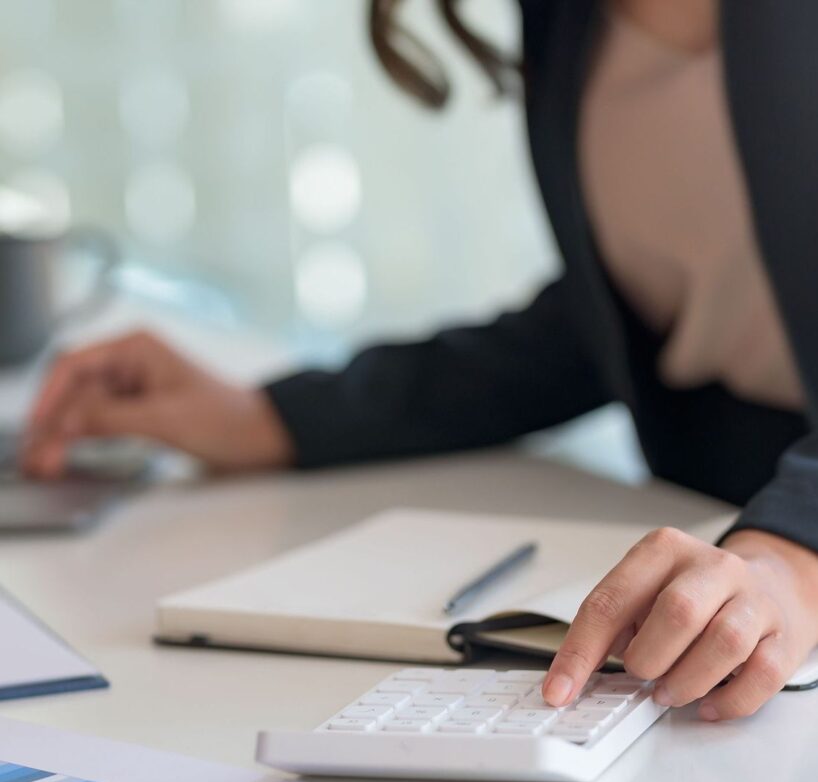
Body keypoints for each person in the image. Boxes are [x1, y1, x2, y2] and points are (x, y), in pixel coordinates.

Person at [21, 0, 818, 722]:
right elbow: (610, 315)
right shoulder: (571, 21)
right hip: (710, 613)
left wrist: (794, 550)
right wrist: (271, 417)